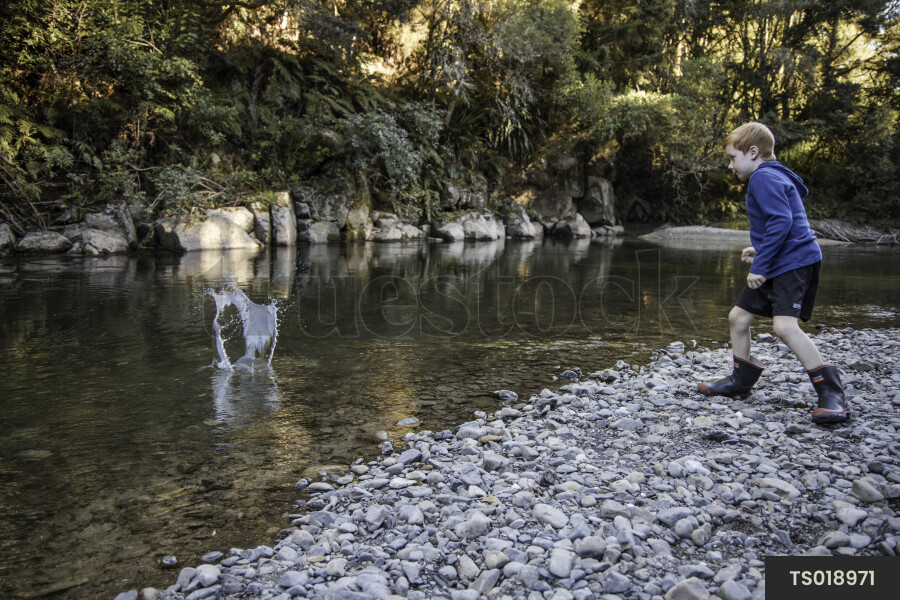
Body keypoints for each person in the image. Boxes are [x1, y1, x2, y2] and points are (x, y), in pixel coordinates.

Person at [698, 121, 849, 424]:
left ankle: (832, 393)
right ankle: (740, 383)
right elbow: (787, 222)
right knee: (738, 318)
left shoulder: (762, 178)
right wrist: (761, 249)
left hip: (793, 264)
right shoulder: (773, 175)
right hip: (783, 256)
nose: (730, 166)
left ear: (752, 152)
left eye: (732, 157)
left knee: (784, 327)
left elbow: (781, 222)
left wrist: (760, 266)